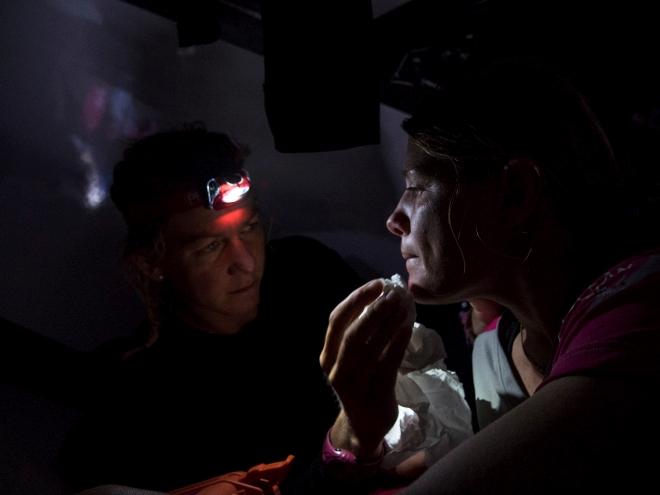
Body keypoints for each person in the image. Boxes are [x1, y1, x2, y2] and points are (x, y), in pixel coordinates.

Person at [59, 125, 473, 494]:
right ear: (152, 262)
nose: (247, 261)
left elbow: (423, 346)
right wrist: (348, 447)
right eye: (211, 246)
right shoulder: (145, 397)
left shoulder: (304, 272)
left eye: (249, 228)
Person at [321, 59, 660, 494]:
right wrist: (357, 432)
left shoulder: (637, 310)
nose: (394, 219)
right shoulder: (494, 355)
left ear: (515, 193)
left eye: (417, 186)